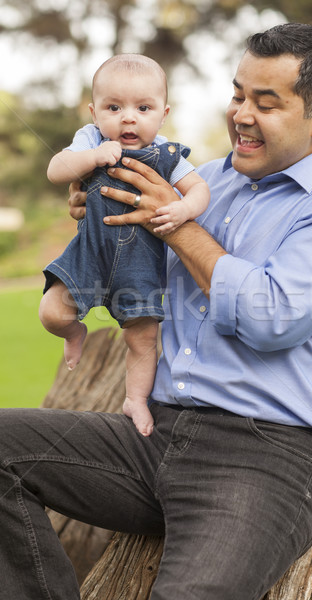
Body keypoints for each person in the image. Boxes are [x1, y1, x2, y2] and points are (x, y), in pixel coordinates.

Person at [0, 22, 312, 600]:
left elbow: (271, 316)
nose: (242, 114)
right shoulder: (206, 181)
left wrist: (176, 224)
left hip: (269, 456)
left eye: (266, 102)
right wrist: (100, 219)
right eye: (238, 94)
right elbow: (131, 280)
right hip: (155, 435)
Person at [39, 54, 210, 436]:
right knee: (52, 312)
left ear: (163, 114)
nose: (128, 117)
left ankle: (135, 399)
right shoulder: (91, 140)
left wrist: (183, 210)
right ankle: (74, 333)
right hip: (90, 254)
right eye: (113, 107)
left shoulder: (168, 155)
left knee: (143, 338)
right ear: (94, 111)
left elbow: (199, 190)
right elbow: (55, 170)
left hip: (140, 263)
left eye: (142, 108)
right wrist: (92, 158)